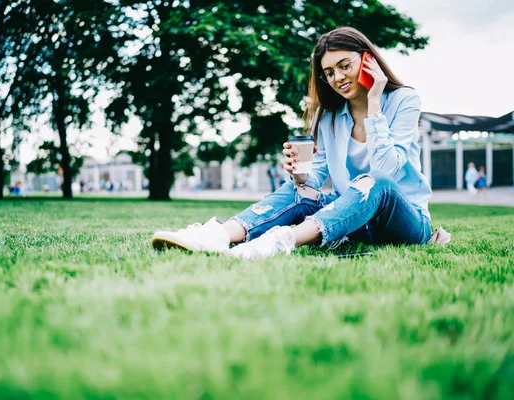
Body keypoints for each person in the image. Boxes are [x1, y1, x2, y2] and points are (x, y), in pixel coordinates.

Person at [151, 27, 438, 259]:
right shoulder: (330, 116)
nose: (337, 77)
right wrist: (300, 174)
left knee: (377, 182)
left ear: (367, 59)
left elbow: (385, 171)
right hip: (354, 220)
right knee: (298, 190)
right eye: (329, 73)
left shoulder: (404, 100)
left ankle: (279, 241)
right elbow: (318, 176)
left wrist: (374, 102)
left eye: (344, 66)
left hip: (403, 221)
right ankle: (219, 235)